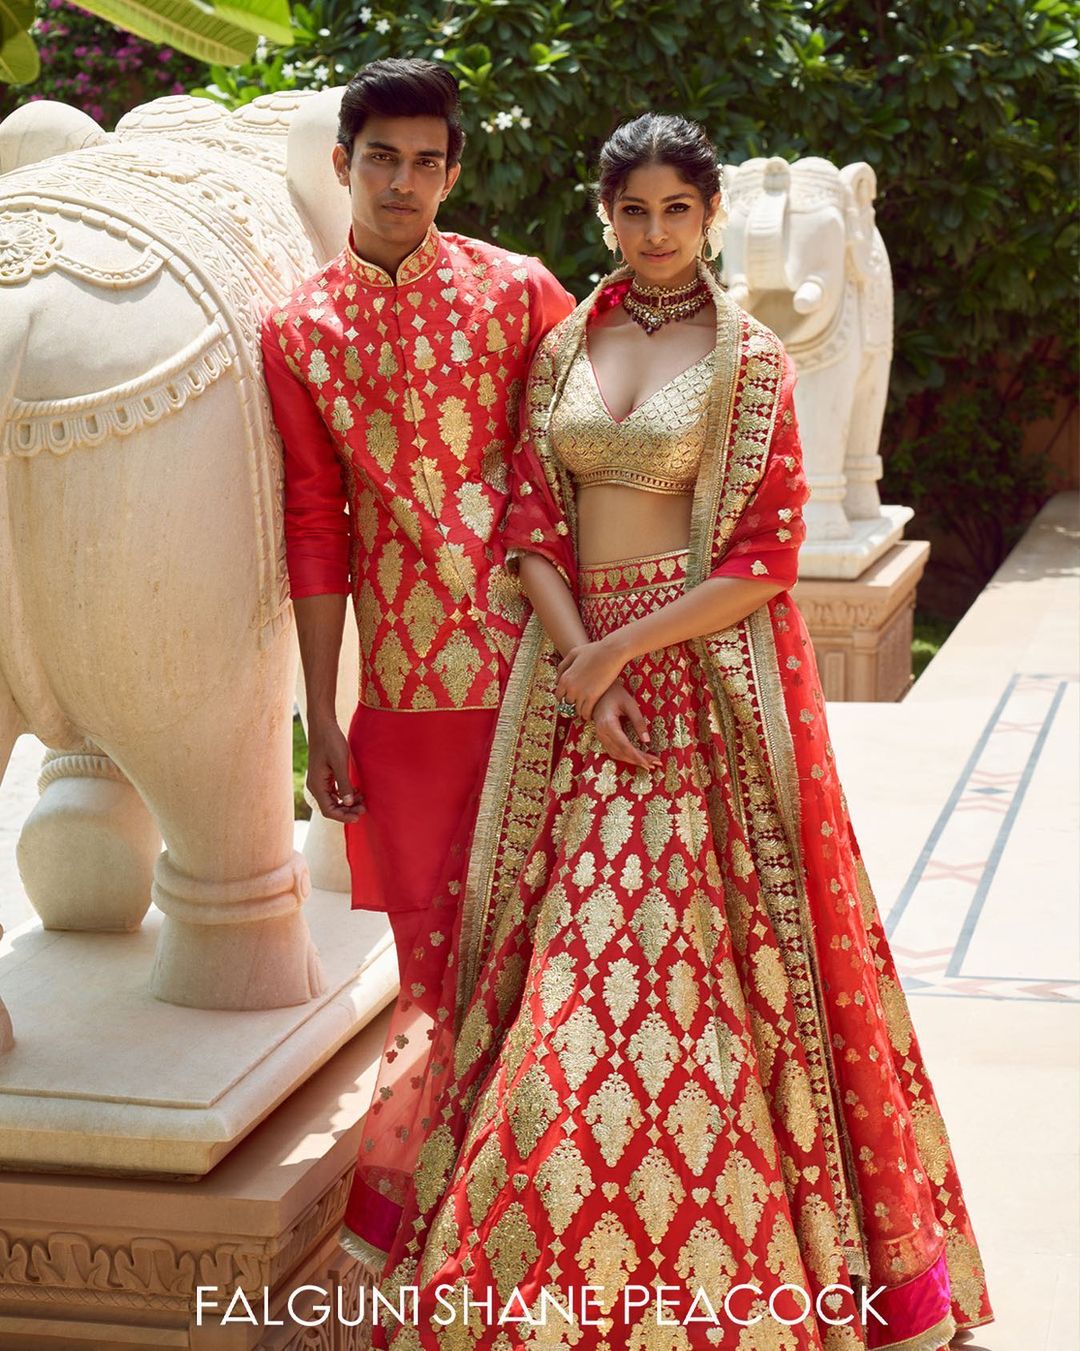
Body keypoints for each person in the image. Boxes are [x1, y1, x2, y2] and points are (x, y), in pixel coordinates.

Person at [351, 113, 994, 1350]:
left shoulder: (749, 357)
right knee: (564, 981)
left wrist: (617, 655)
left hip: (698, 693)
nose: (654, 234)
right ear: (605, 215)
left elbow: (764, 559)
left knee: (698, 975)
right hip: (577, 690)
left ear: (710, 216)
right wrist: (583, 666)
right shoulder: (564, 348)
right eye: (633, 212)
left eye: (677, 212)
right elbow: (531, 527)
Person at [259, 58, 574, 1267]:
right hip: (409, 693)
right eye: (381, 157)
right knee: (436, 968)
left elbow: (591, 462)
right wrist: (322, 711)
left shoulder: (519, 293)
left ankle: (541, 1223)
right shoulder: (301, 330)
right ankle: (430, 1232)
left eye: (426, 161)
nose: (403, 181)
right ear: (343, 163)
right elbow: (315, 521)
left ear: (454, 171)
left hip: (546, 671)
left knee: (556, 953)